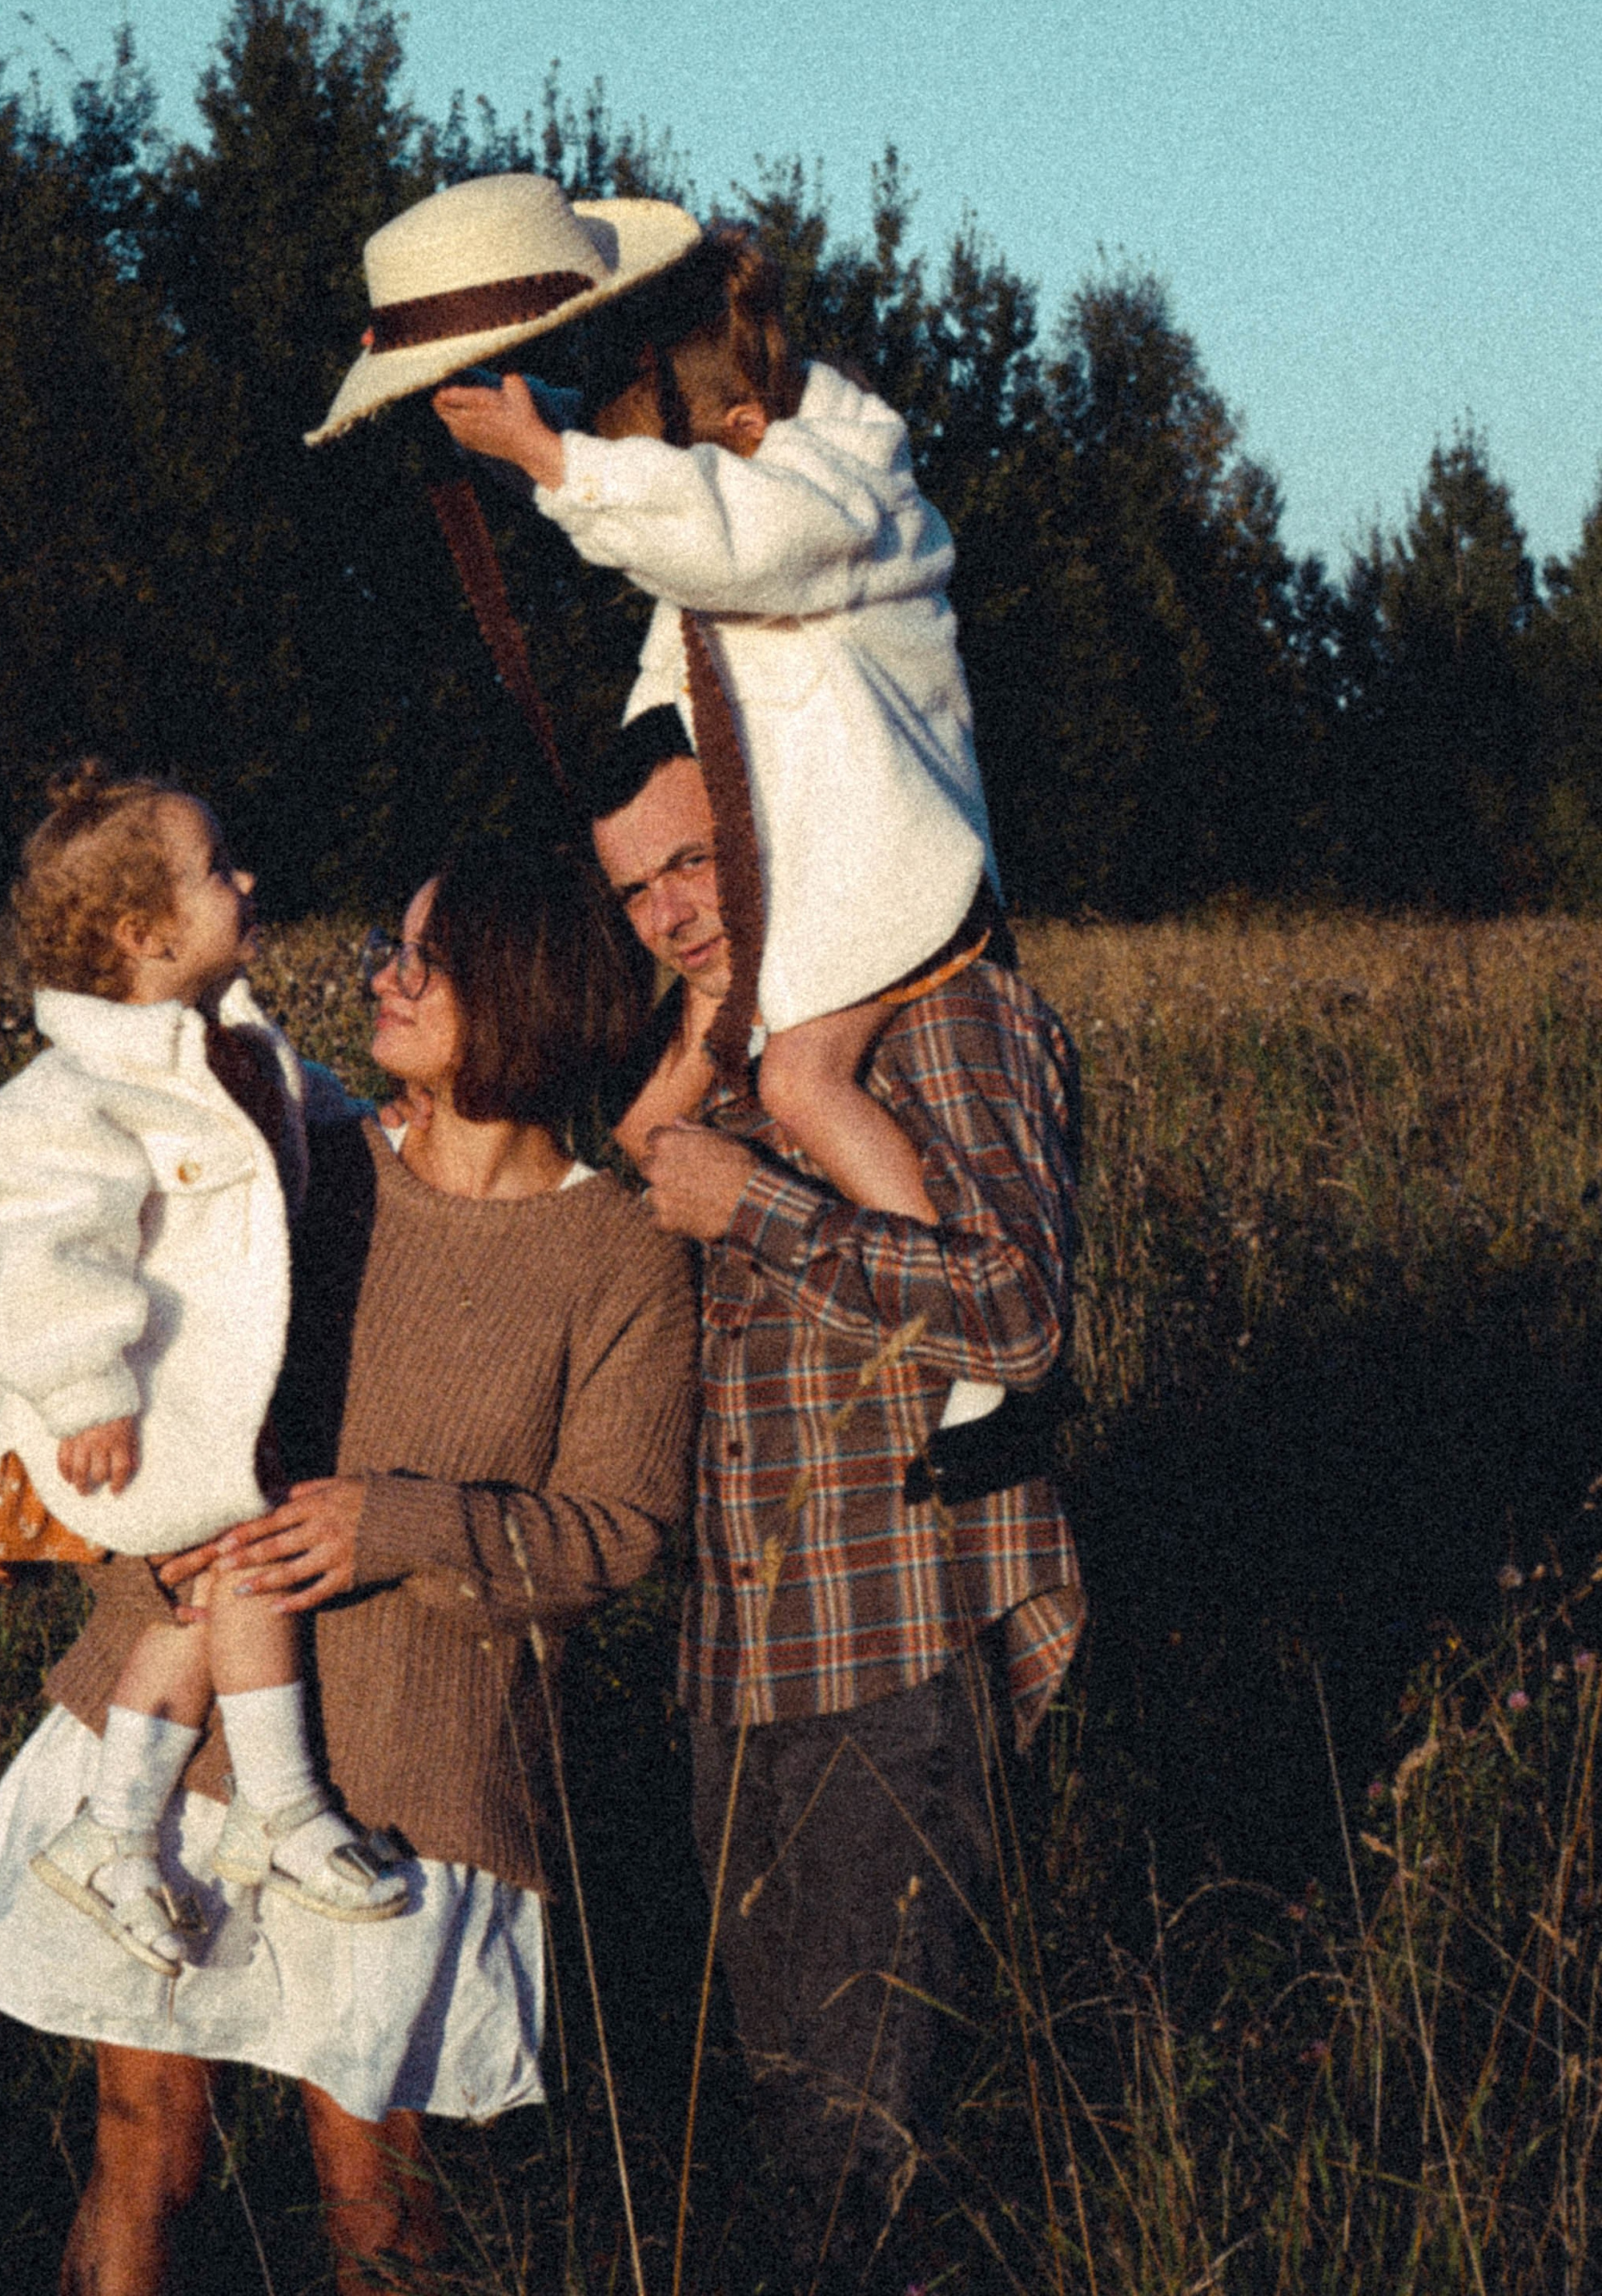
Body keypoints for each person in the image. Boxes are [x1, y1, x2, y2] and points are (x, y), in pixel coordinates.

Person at [0, 832, 695, 2296]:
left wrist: (390, 1523)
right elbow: (113, 1353)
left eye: (426, 954)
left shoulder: (620, 1256)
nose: (383, 974)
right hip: (178, 1741)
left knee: (379, 2205)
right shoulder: (296, 1166)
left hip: (415, 1777)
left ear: (523, 988)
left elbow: (619, 1533)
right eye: (388, 945)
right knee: (147, 2145)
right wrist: (88, 1532)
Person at [584, 711, 1084, 2281]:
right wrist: (690, 1077)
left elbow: (1020, 1317)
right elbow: (596, 1281)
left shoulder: (943, 1020)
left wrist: (759, 1204)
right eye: (632, 893)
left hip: (887, 1667)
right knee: (786, 2127)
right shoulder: (727, 1062)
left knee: (848, 2164)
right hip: (733, 1674)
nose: (669, 912)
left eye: (691, 860)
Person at [433, 224, 999, 1234]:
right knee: (653, 1112)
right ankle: (582, 1250)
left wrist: (553, 461)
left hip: (891, 877)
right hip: (806, 879)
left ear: (743, 428)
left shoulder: (837, 506)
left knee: (799, 1083)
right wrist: (493, 414)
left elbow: (713, 524)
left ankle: (941, 1276)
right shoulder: (756, 453)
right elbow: (656, 475)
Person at [0, 760, 404, 1980]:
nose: (247, 878)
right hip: (93, 1413)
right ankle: (283, 1805)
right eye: (218, 870)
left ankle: (112, 1832)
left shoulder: (232, 1048)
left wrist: (371, 1125)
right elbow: (40, 1241)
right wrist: (85, 1387)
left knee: (210, 1589)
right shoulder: (73, 1093)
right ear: (144, 934)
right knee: (242, 1551)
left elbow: (302, 1117)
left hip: (199, 1402)